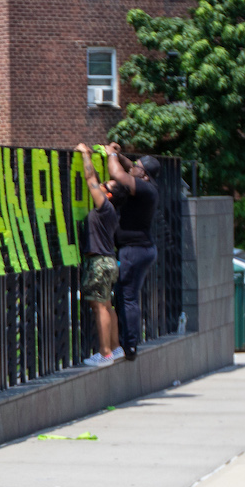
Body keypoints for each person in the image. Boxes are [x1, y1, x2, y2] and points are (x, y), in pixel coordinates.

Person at [103, 142, 160, 360]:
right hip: (141, 249)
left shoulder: (144, 188)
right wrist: (120, 154)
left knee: (127, 297)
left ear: (143, 174)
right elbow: (128, 166)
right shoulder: (150, 186)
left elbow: (117, 173)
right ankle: (129, 341)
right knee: (129, 296)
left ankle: (129, 345)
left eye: (136, 166)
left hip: (134, 251)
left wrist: (110, 156)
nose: (131, 167)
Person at [76, 143, 123, 368]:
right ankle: (115, 348)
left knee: (100, 307)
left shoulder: (104, 207)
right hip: (109, 261)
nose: (100, 186)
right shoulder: (111, 212)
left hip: (99, 262)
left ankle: (105, 353)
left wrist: (86, 155)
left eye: (105, 185)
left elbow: (90, 179)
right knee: (107, 305)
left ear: (109, 194)